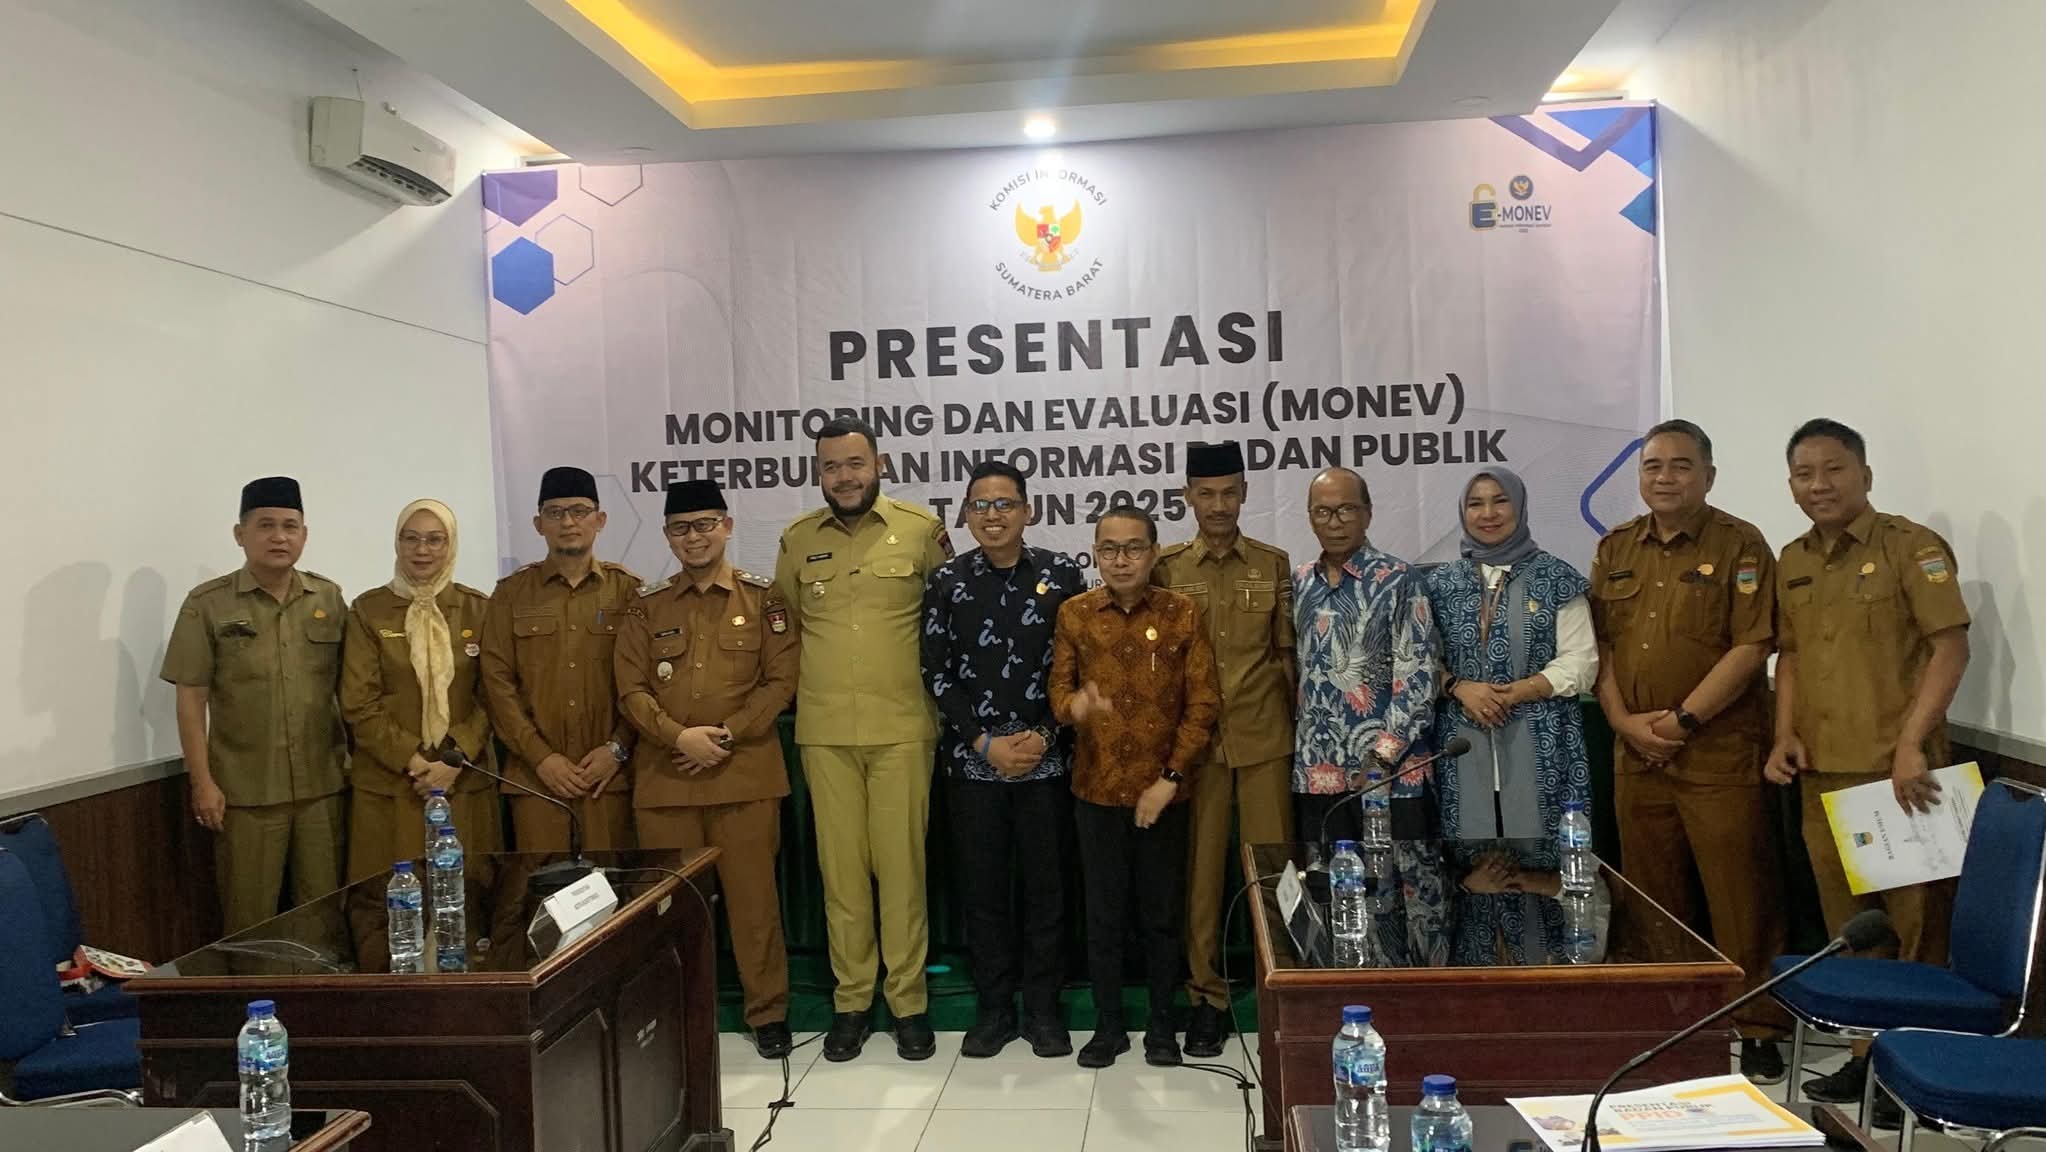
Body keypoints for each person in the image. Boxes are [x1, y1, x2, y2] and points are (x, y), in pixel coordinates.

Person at [1764, 418, 1970, 1107]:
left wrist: (1912, 742)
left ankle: (1918, 1071)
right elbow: (1791, 656)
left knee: (1915, 930)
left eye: (1834, 469)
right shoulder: (1792, 559)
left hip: (1899, 776)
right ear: (1791, 484)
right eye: (1804, 474)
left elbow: (1950, 647)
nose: (1819, 485)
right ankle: (1865, 1058)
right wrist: (1783, 733)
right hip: (1822, 775)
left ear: (1865, 476)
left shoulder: (1911, 546)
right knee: (1850, 929)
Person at [1590, 420, 1789, 1084]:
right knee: (1653, 897)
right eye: (1653, 466)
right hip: (1636, 753)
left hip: (1716, 752)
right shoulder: (1617, 547)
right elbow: (1602, 647)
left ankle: (1757, 1024)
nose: (1665, 477)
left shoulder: (1740, 544)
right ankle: (1669, 1022)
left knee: (1740, 894)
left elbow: (1752, 645)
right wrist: (1622, 721)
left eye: (1680, 465)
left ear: (1708, 475)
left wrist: (1681, 721)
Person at [772, 416, 952, 1062]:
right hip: (825, 734)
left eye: (855, 464)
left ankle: (908, 1004)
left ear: (880, 464)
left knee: (902, 872)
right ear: (818, 472)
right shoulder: (798, 540)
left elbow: (949, 614)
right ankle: (851, 1001)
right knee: (841, 876)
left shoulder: (921, 530)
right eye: (831, 467)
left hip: (903, 729)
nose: (844, 477)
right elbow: (787, 626)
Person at [616, 480, 798, 1059]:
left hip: (743, 776)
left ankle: (767, 1013)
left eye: (704, 525)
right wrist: (679, 736)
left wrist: (726, 735)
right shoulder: (646, 606)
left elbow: (781, 681)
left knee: (754, 906)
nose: (693, 537)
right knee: (669, 911)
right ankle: (674, 1014)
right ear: (668, 536)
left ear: (727, 526)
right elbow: (630, 689)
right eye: (680, 528)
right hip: (667, 781)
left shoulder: (764, 599)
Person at [921, 461, 1088, 1060]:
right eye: (981, 505)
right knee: (984, 893)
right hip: (973, 765)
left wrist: (1043, 734)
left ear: (1028, 511)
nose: (993, 515)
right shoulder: (946, 581)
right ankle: (994, 1011)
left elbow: (1078, 666)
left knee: (1047, 891)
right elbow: (935, 671)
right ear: (966, 515)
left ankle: (1043, 1011)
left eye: (1005, 504)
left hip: (1047, 760)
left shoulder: (1062, 575)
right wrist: (982, 742)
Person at [1051, 504, 1220, 1069]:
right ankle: (1109, 1027)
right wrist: (1075, 707)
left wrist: (1170, 778)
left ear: (1154, 552)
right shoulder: (1075, 614)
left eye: (1133, 548)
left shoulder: (1181, 613)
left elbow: (1203, 704)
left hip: (1163, 793)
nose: (1120, 560)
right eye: (1109, 549)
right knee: (1103, 917)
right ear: (1095, 554)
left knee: (1160, 916)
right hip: (1095, 791)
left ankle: (1162, 1027)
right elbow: (1058, 693)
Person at [1151, 440, 1297, 1056]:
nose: (1218, 505)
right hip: (1196, 748)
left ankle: (1281, 992)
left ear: (1244, 494)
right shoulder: (1165, 567)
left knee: (1273, 868)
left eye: (1229, 493)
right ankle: (1206, 998)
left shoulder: (1272, 564)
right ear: (1187, 496)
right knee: (1202, 877)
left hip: (1264, 739)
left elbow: (1286, 657)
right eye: (1206, 493)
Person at [1424, 468, 1597, 965]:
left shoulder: (1557, 577)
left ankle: (1550, 986)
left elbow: (1581, 662)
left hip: (1543, 749)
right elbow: (1420, 661)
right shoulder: (1438, 584)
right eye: (1475, 503)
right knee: (1473, 871)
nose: (1488, 513)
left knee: (1548, 868)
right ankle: (1474, 991)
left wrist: (1517, 691)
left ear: (1519, 507)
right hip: (1463, 750)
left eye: (1499, 501)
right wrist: (1460, 688)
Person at [161, 476, 348, 934]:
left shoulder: (328, 598)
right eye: (266, 525)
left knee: (323, 915)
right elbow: (191, 699)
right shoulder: (207, 604)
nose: (279, 537)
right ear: (240, 534)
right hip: (246, 795)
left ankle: (316, 985)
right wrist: (202, 783)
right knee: (250, 920)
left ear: (305, 534)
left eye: (290, 526)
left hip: (321, 789)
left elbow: (351, 688)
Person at [1292, 467, 1446, 966]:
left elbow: (1419, 676)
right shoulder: (1300, 583)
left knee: (1406, 897)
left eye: (1345, 509)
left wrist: (1382, 755)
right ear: (1310, 517)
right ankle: (1342, 990)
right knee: (1333, 898)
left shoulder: (1400, 580)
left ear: (1368, 513)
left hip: (1390, 777)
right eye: (1322, 511)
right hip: (1320, 777)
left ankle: (1418, 997)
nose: (1334, 521)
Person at [339, 500, 501, 900]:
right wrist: (415, 763)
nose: (422, 550)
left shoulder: (478, 609)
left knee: (466, 900)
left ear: (451, 545)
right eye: (410, 539)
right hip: (391, 785)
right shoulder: (368, 611)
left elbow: (494, 696)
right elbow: (359, 702)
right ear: (397, 544)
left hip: (463, 780)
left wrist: (453, 761)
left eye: (435, 540)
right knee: (388, 905)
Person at [480, 467, 641, 853]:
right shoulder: (511, 594)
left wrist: (617, 749)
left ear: (600, 520)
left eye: (579, 511)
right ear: (538, 524)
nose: (568, 522)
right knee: (541, 884)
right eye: (555, 512)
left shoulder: (629, 591)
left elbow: (645, 682)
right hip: (536, 780)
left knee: (611, 884)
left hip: (608, 778)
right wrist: (542, 758)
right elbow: (496, 683)